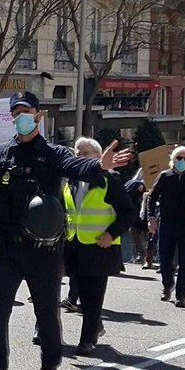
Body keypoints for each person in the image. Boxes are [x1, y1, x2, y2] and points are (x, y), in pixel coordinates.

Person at [0, 91, 130, 370]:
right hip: (4, 248)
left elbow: (76, 166)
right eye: (16, 113)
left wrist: (99, 164)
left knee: (46, 315)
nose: (20, 117)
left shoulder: (52, 153)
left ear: (38, 116)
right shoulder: (0, 153)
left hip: (41, 250)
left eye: (26, 111)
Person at [62, 138, 135, 354]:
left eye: (86, 153)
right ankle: (95, 327)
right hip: (74, 246)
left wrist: (111, 234)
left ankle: (86, 340)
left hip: (99, 247)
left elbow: (128, 212)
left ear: (99, 156)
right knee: (81, 295)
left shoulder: (109, 179)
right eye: (77, 153)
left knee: (92, 295)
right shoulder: (70, 180)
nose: (80, 157)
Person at [142, 145, 185, 308]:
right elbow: (151, 197)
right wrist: (151, 218)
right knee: (164, 258)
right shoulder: (164, 176)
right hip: (167, 223)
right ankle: (167, 285)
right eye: (179, 158)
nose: (182, 161)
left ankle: (181, 294)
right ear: (172, 160)